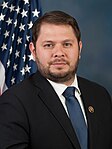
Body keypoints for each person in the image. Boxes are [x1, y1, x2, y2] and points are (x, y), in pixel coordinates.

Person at [0, 10, 112, 149]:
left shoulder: (100, 95)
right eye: (49, 45)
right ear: (33, 51)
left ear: (80, 48)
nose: (59, 53)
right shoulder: (14, 102)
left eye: (67, 44)